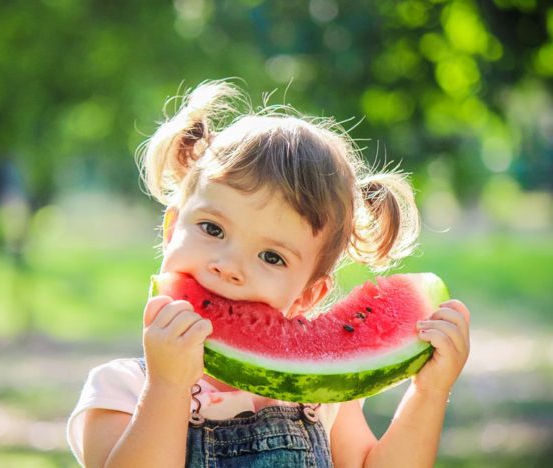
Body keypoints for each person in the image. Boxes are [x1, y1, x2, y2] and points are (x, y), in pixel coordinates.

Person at [67, 80, 470, 467]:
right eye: (213, 229)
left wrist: (429, 392)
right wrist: (167, 387)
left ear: (307, 296)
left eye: (271, 257)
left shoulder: (319, 397)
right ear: (172, 229)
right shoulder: (120, 389)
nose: (228, 267)